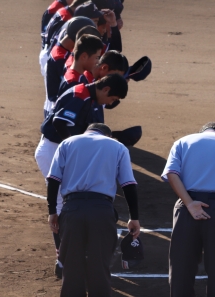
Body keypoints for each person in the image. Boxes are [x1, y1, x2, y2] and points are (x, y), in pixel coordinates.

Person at [36, 73, 129, 272]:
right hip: (53, 149)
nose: (110, 103)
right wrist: (73, 150)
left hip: (62, 149)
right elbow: (59, 123)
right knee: (61, 201)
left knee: (70, 199)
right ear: (105, 89)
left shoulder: (92, 99)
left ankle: (73, 254)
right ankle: (63, 261)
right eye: (112, 99)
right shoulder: (80, 94)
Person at [46, 123, 140, 296]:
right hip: (101, 211)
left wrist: (52, 211)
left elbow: (53, 180)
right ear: (108, 135)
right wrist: (134, 217)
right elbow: (129, 185)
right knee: (99, 265)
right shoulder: (118, 147)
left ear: (87, 131)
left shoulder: (67, 143)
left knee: (71, 267)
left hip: (72, 209)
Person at [161, 122, 215, 297]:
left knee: (181, 269)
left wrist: (189, 203)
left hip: (186, 209)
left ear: (201, 132)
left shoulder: (182, 142)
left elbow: (171, 174)